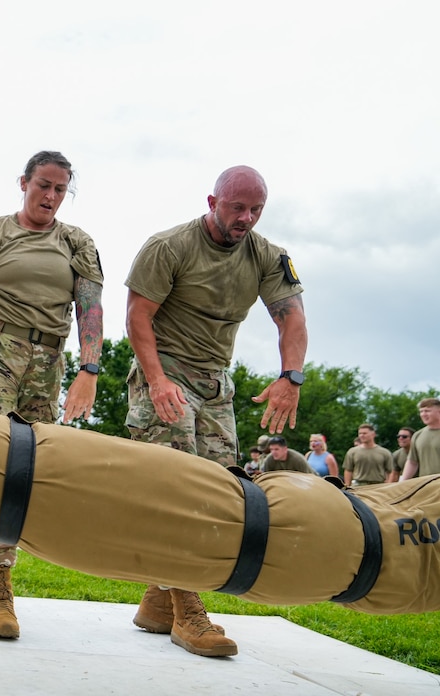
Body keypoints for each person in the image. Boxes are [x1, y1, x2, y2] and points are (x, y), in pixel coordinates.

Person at [125, 164, 306, 658]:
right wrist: (157, 381)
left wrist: (291, 377)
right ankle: (188, 612)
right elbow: (138, 316)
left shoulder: (269, 256)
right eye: (237, 207)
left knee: (224, 491)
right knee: (180, 490)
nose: (246, 218)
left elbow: (291, 316)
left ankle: (157, 604)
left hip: (216, 384)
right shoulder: (170, 247)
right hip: (164, 372)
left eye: (256, 210)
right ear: (212, 202)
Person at [0, 151, 104, 640]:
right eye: (43, 186)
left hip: (47, 362)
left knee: (28, 472)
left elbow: (89, 310)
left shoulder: (77, 241)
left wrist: (88, 370)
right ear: (24, 183)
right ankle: (1, 593)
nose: (50, 197)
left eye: (60, 189)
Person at [400, 397, 440, 481]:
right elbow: (412, 462)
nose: (423, 414)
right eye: (421, 411)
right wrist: (402, 482)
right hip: (425, 484)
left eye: (427, 411)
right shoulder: (417, 435)